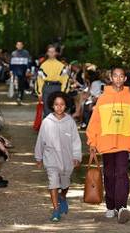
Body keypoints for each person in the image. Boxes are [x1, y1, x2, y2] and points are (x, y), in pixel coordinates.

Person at [86, 67, 130, 224]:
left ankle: (122, 207)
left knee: (121, 174)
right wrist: (92, 142)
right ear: (111, 78)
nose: (118, 79)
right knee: (109, 174)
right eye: (115, 76)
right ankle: (111, 206)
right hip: (106, 142)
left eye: (121, 76)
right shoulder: (103, 98)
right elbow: (95, 122)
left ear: (125, 79)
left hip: (124, 142)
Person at [34, 91, 82, 222]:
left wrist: (76, 156)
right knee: (53, 182)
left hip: (67, 160)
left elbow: (76, 141)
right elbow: (40, 140)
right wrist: (39, 157)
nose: (59, 107)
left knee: (65, 183)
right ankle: (55, 209)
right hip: (51, 159)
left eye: (62, 104)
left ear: (66, 106)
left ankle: (63, 196)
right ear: (52, 105)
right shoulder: (46, 122)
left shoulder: (70, 122)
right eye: (56, 104)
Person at [36, 45, 69, 116]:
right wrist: (39, 93)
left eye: (53, 52)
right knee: (47, 110)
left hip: (58, 88)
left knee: (58, 110)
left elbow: (65, 80)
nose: (51, 53)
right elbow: (39, 80)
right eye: (49, 52)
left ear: (56, 53)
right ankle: (48, 126)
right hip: (46, 88)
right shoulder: (43, 65)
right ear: (47, 53)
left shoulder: (61, 66)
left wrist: (63, 92)